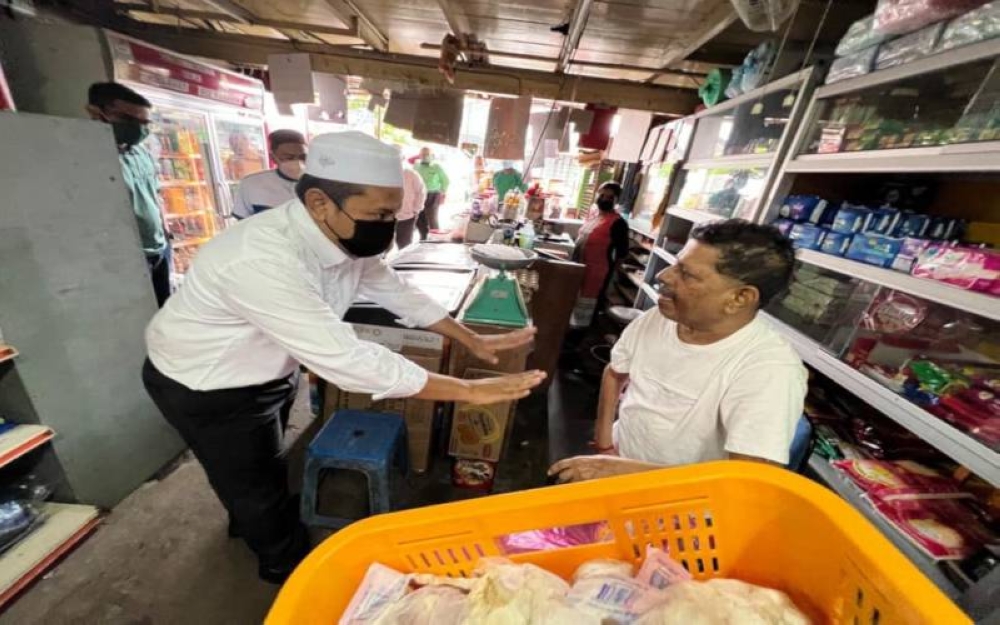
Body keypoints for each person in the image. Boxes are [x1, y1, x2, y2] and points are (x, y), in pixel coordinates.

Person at [142, 131, 544, 583]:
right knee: (255, 483)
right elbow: (349, 362)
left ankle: (247, 518)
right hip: (206, 381)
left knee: (261, 466)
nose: (387, 224)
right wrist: (467, 391)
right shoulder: (261, 258)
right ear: (319, 202)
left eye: (392, 212)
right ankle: (283, 566)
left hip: (267, 368)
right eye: (379, 213)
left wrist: (471, 339)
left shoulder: (343, 236)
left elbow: (396, 291)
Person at [550, 220, 807, 483]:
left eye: (687, 274)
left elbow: (746, 481)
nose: (664, 276)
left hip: (679, 502)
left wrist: (620, 471)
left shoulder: (769, 370)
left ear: (739, 298)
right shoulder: (657, 319)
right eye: (676, 264)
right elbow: (615, 373)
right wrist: (605, 444)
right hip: (615, 461)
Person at [87, 82, 170, 308]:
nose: (140, 129)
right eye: (130, 120)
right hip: (127, 255)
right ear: (96, 112)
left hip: (159, 248)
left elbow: (154, 194)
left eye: (145, 123)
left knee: (165, 314)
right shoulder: (88, 157)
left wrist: (164, 231)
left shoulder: (139, 152)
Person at [569, 181, 629, 327]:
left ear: (616, 200)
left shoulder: (618, 223)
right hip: (580, 267)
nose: (604, 199)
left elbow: (622, 253)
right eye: (602, 195)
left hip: (597, 274)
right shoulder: (594, 216)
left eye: (610, 197)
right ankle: (569, 333)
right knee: (574, 303)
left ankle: (578, 342)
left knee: (588, 308)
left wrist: (611, 276)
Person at [232, 130, 307, 219]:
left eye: (302, 157)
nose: (297, 162)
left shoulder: (318, 182)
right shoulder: (251, 184)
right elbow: (242, 223)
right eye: (288, 157)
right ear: (273, 157)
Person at [413, 146, 449, 240]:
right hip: (418, 195)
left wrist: (443, 193)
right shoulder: (416, 165)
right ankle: (423, 238)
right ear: (419, 155)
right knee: (419, 218)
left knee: (432, 219)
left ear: (431, 155)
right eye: (423, 154)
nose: (425, 156)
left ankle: (436, 239)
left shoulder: (436, 166)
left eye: (427, 154)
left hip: (432, 195)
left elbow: (445, 181)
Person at [396, 158, 426, 249]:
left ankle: (403, 262)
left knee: (404, 244)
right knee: (382, 245)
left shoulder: (411, 174)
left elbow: (421, 192)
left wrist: (416, 210)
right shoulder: (383, 173)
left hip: (406, 216)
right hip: (385, 217)